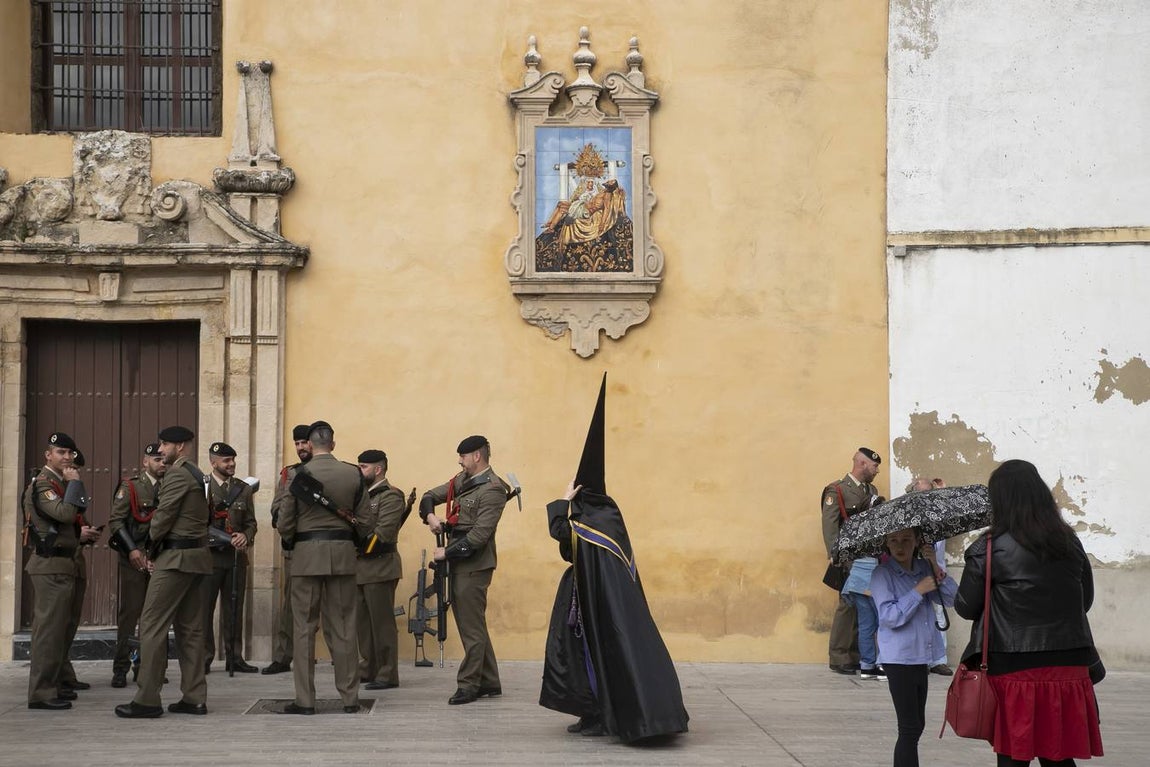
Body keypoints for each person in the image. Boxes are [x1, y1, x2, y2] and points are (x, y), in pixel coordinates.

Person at [540, 375, 689, 742]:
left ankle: (619, 714)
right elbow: (570, 550)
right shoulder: (593, 514)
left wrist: (560, 502)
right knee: (579, 655)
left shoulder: (599, 515)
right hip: (582, 598)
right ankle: (591, 712)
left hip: (600, 603)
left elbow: (561, 534)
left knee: (603, 654)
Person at [954, 460, 1103, 767]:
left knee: (1013, 757)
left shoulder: (989, 547)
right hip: (1070, 663)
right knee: (1058, 757)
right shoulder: (1069, 540)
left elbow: (966, 607)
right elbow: (1084, 601)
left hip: (1013, 663)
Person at [116, 425, 213, 718]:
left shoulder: (178, 474)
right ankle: (194, 697)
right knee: (191, 629)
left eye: (165, 445)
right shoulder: (197, 474)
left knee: (152, 625)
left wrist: (149, 548)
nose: (160, 449)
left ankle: (147, 698)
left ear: (180, 446)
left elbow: (162, 520)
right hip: (197, 558)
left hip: (175, 559)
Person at [277, 420, 367, 715]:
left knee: (304, 628)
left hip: (306, 556)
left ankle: (305, 701)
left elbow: (285, 521)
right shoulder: (352, 473)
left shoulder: (299, 474)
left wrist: (291, 542)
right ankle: (350, 698)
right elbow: (366, 521)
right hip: (342, 555)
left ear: (310, 444)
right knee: (343, 628)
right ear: (333, 443)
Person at [418, 434, 512, 705]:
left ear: (477, 457)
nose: (459, 461)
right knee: (474, 624)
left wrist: (445, 552)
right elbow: (428, 496)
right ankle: (490, 681)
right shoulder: (464, 481)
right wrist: (431, 516)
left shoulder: (493, 489)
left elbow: (479, 537)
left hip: (474, 564)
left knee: (470, 627)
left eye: (463, 457)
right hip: (460, 562)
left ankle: (469, 684)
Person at [870, 528, 956, 767]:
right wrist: (917, 592)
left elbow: (951, 599)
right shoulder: (882, 574)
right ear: (886, 543)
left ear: (917, 541)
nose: (900, 546)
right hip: (899, 658)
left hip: (922, 656)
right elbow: (888, 616)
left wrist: (936, 567)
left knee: (917, 725)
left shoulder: (923, 568)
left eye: (907, 540)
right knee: (908, 727)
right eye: (894, 540)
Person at [23, 432, 93, 710]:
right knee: (48, 633)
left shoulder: (60, 483)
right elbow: (63, 514)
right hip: (49, 565)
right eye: (61, 452)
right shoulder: (43, 484)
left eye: (70, 454)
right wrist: (75, 482)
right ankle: (41, 693)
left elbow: (76, 511)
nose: (67, 458)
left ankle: (55, 683)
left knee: (59, 630)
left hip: (63, 564)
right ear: (48, 455)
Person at [108, 442, 166, 688]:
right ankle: (121, 667)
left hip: (159, 558)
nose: (161, 464)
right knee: (130, 615)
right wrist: (132, 550)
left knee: (154, 617)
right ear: (145, 462)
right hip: (133, 560)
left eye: (164, 460)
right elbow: (116, 522)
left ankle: (147, 667)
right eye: (156, 460)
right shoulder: (131, 486)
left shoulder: (170, 487)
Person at [821, 447, 882, 674]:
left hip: (868, 557)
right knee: (846, 606)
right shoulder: (837, 490)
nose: (876, 470)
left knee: (863, 607)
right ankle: (839, 656)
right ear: (862, 464)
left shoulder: (872, 489)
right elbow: (830, 526)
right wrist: (836, 555)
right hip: (848, 558)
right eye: (874, 466)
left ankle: (857, 655)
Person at [201, 441, 258, 674]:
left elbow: (251, 522)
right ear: (213, 463)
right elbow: (197, 523)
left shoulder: (243, 489)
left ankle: (235, 656)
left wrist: (245, 535)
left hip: (235, 558)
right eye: (226, 460)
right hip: (209, 558)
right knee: (204, 609)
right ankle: (204, 657)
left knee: (234, 608)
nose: (231, 464)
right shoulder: (202, 487)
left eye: (233, 459)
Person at [262, 423, 313, 675]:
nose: (301, 447)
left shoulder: (328, 470)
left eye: (305, 442)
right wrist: (282, 520)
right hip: (294, 549)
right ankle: (284, 657)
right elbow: (277, 505)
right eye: (297, 443)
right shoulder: (288, 473)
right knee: (290, 606)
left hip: (322, 546)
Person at [355, 449, 407, 690]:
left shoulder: (391, 496)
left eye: (364, 466)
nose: (360, 470)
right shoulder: (361, 495)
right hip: (360, 569)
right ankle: (368, 668)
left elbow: (383, 532)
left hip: (380, 566)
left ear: (378, 469)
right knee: (363, 624)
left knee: (382, 624)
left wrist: (355, 546)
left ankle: (387, 673)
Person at [57, 446, 97, 698]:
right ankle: (53, 680)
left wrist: (86, 534)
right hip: (58, 563)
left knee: (69, 623)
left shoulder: (70, 490)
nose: (74, 472)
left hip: (75, 561)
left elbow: (76, 519)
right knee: (55, 626)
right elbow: (58, 520)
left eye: (76, 469)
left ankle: (65, 674)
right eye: (72, 468)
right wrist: (77, 534)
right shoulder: (48, 489)